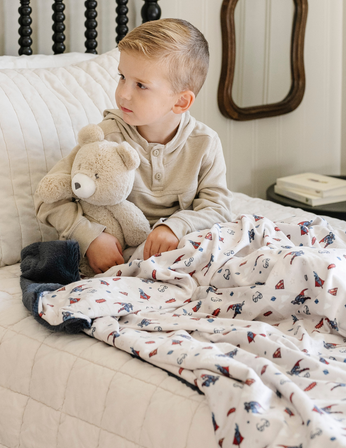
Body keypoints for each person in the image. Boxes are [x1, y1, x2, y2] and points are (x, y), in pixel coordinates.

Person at [35, 18, 234, 274]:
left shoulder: (205, 142)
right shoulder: (106, 137)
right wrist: (90, 237)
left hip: (178, 257)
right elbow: (48, 197)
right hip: (121, 260)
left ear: (181, 102)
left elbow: (218, 208)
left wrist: (176, 225)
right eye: (122, 77)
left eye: (140, 85)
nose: (124, 94)